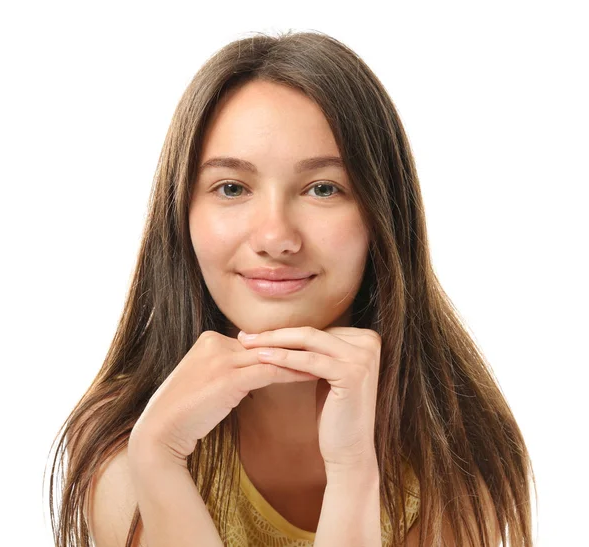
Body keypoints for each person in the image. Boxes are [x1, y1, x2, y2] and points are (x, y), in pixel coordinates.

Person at [47, 30, 536, 546]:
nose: (276, 237)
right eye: (231, 188)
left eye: (323, 188)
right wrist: (159, 457)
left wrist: (352, 470)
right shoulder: (126, 443)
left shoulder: (452, 442)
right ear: (182, 215)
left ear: (383, 214)